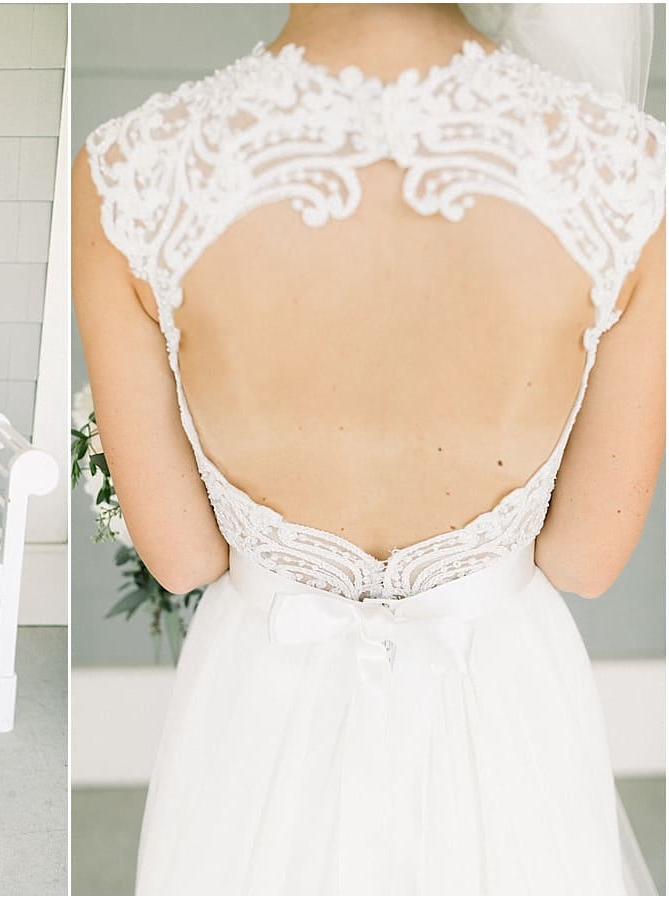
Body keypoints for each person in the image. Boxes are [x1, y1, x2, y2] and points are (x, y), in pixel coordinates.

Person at [73, 3, 663, 894]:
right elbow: (585, 556)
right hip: (501, 702)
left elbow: (183, 554)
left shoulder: (129, 169)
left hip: (258, 709)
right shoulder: (630, 169)